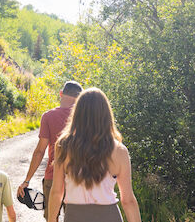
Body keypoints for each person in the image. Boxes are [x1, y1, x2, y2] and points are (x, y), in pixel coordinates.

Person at [48, 88, 141, 222]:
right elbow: (127, 200)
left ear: (77, 113)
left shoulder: (64, 146)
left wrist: (52, 219)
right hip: (109, 216)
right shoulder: (119, 151)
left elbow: (57, 192)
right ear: (106, 114)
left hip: (75, 216)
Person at [17, 80, 83, 220]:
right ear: (80, 98)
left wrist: (27, 180)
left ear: (61, 94)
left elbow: (40, 151)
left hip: (53, 177)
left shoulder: (48, 116)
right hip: (78, 178)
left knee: (51, 218)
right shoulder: (84, 118)